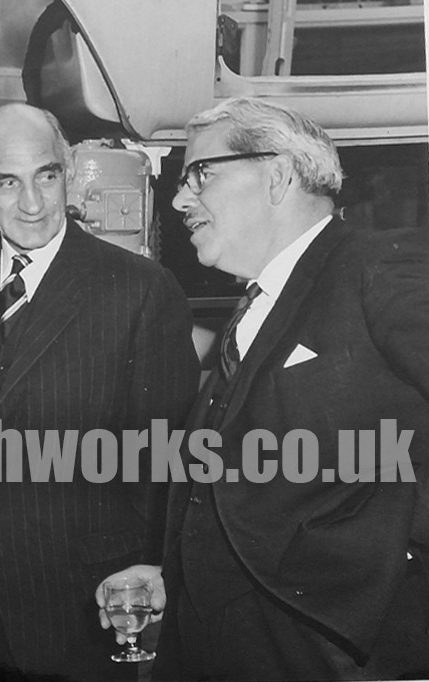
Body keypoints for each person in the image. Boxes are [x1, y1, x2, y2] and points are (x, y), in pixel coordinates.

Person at [99, 97, 429, 680]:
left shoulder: (379, 267)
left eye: (201, 173)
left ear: (277, 175)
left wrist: (393, 561)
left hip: (328, 650)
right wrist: (179, 572)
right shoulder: (258, 303)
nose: (179, 200)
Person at [0, 102, 201, 682]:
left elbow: (164, 458)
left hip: (75, 604)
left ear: (68, 170)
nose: (33, 203)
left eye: (46, 176)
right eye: (7, 182)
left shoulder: (140, 289)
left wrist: (145, 575)